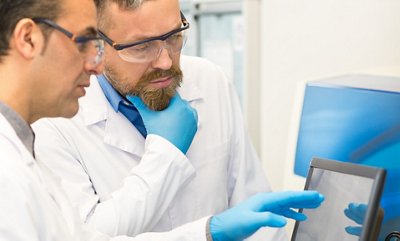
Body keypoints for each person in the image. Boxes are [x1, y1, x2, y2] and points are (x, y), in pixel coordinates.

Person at [0, 0, 325, 241]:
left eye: (173, 36)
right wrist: (166, 155)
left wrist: (213, 231)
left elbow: (256, 217)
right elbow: (87, 233)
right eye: (141, 47)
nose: (166, 61)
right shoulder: (53, 118)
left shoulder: (210, 80)